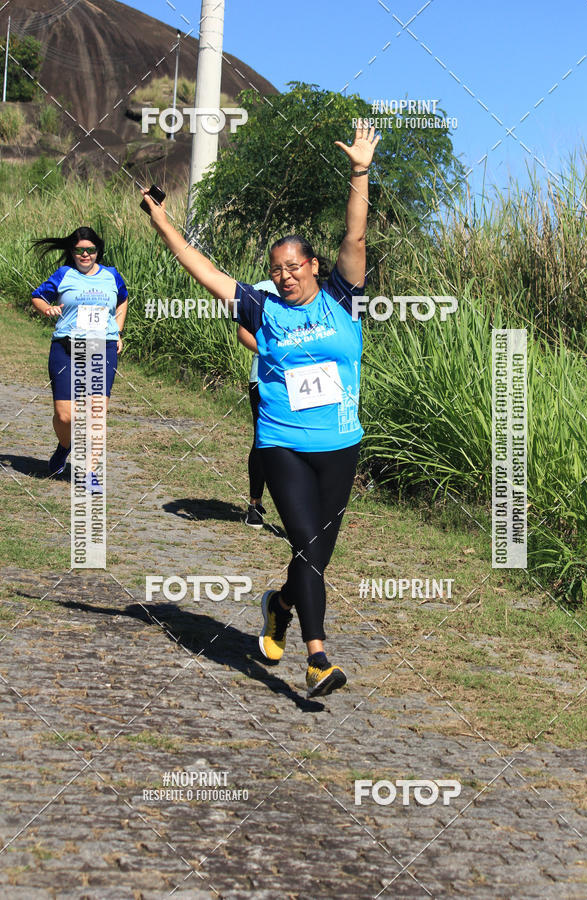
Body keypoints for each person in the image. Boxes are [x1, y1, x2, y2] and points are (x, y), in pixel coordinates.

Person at [141, 122, 379, 698]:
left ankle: (279, 604)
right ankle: (318, 658)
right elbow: (200, 268)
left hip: (341, 444)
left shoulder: (344, 297)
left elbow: (356, 236)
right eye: (276, 268)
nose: (285, 274)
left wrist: (360, 171)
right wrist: (161, 221)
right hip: (283, 443)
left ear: (315, 266)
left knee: (317, 552)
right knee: (306, 547)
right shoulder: (260, 306)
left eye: (295, 265)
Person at [30, 227, 128, 482]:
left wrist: (117, 331)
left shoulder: (111, 276)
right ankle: (65, 447)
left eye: (91, 250)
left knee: (96, 412)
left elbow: (123, 300)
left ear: (98, 251)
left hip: (100, 346)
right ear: (72, 252)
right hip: (66, 346)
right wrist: (47, 309)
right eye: (79, 250)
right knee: (65, 415)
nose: (85, 254)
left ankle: (90, 471)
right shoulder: (64, 275)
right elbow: (37, 296)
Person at [237, 278, 277, 528]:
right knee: (263, 440)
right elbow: (243, 332)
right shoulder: (262, 290)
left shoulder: (314, 292)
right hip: (263, 379)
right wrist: (274, 354)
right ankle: (254, 505)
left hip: (303, 381)